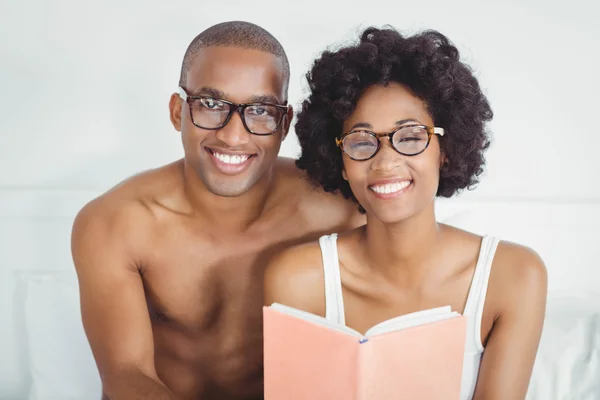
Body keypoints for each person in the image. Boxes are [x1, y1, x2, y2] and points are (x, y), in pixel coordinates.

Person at [71, 21, 364, 400]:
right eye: (210, 104)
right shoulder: (115, 222)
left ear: (284, 124)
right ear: (178, 111)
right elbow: (126, 375)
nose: (233, 135)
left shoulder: (339, 210)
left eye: (260, 110)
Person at [264, 26, 547, 399]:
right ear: (341, 162)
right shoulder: (297, 280)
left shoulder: (513, 277)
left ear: (444, 150)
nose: (386, 162)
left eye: (411, 137)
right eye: (362, 142)